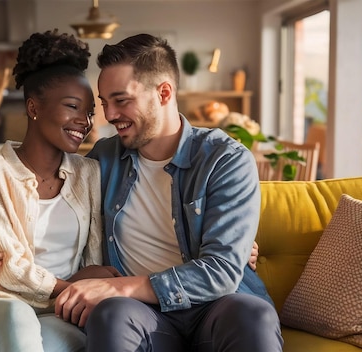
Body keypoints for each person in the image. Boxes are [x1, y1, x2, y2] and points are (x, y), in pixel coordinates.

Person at [51, 33, 283, 351]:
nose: (110, 115)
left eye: (121, 100)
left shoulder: (224, 159)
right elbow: (47, 205)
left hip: (216, 307)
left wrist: (116, 287)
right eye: (105, 103)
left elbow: (222, 271)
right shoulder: (102, 158)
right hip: (143, 315)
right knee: (111, 314)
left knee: (253, 315)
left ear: (163, 93)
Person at [0, 29, 120, 352]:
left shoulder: (88, 172)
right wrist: (74, 287)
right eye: (72, 106)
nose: (83, 121)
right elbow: (9, 272)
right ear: (33, 107)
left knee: (69, 340)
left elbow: (93, 257)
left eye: (89, 112)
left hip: (56, 312)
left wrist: (88, 288)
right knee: (16, 317)